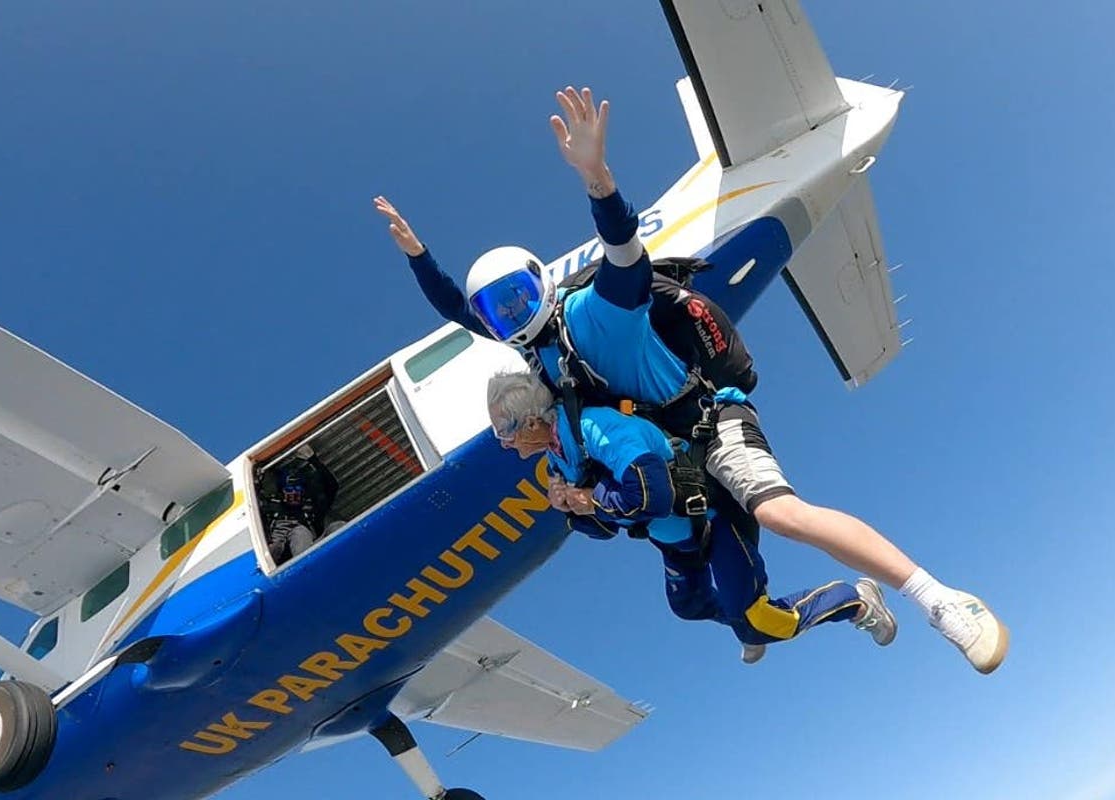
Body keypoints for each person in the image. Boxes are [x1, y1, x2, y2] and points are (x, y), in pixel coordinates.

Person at [376, 87, 1008, 675]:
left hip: (711, 420)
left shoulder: (593, 311)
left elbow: (624, 255)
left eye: (516, 299)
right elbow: (458, 311)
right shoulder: (542, 368)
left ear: (541, 283)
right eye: (497, 312)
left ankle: (939, 599)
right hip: (675, 460)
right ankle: (752, 614)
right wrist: (417, 258)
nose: (508, 317)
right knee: (706, 601)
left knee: (781, 512)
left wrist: (598, 180)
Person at [486, 369, 896, 663]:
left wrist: (589, 499)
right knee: (690, 604)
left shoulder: (595, 428)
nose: (504, 444)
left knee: (761, 623)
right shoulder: (559, 461)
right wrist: (570, 509)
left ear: (532, 421)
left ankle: (853, 600)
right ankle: (742, 617)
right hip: (676, 539)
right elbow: (607, 527)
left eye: (505, 432)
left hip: (714, 518)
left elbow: (652, 495)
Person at [262, 444, 340, 565]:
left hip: (311, 547)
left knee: (337, 526)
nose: (293, 494)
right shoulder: (271, 508)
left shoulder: (311, 510)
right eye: (289, 490)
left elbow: (332, 486)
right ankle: (307, 567)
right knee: (299, 533)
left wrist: (313, 459)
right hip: (281, 557)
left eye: (297, 490)